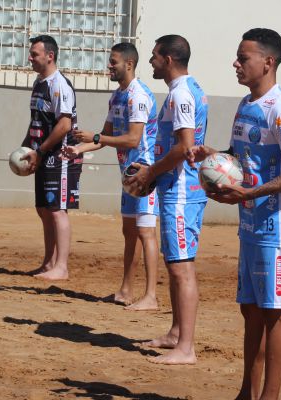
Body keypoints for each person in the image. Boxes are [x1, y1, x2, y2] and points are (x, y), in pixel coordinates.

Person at [189, 28, 281, 399]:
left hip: (279, 229)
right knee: (251, 311)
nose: (236, 63)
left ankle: (269, 396)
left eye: (244, 58)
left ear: (268, 62)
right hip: (251, 225)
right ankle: (247, 391)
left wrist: (252, 192)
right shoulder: (246, 104)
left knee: (275, 313)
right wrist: (214, 156)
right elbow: (243, 159)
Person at [125, 34, 208, 365]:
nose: (151, 62)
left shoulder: (182, 93)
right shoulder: (184, 90)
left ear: (169, 60)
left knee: (181, 269)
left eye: (155, 56)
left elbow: (184, 147)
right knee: (176, 265)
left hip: (181, 193)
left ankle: (186, 347)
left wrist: (150, 173)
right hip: (177, 189)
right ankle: (176, 332)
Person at [62, 43, 160, 310]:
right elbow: (105, 138)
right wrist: (79, 149)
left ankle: (151, 295)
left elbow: (132, 139)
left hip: (145, 174)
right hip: (127, 176)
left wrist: (94, 137)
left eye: (113, 62)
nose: (109, 66)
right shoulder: (117, 96)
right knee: (129, 231)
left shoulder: (137, 96)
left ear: (129, 64)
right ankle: (126, 290)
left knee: (146, 232)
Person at [20, 35, 82, 281]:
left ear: (50, 56)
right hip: (42, 154)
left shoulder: (59, 85)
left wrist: (42, 150)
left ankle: (62, 266)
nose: (30, 58)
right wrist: (27, 147)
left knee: (57, 210)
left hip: (61, 156)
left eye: (34, 54)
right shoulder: (39, 83)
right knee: (43, 208)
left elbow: (64, 125)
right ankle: (48, 262)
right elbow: (37, 120)